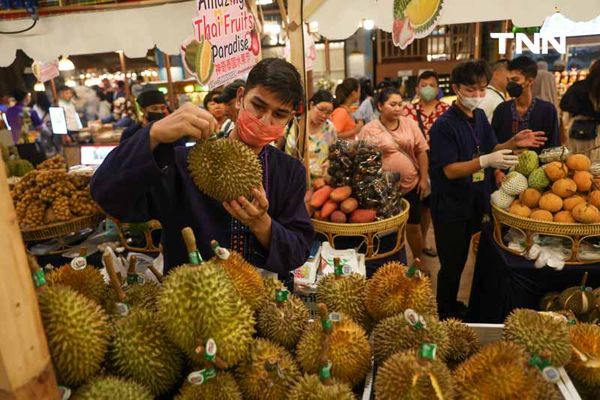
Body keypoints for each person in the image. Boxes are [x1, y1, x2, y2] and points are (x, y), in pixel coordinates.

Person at [91, 58, 314, 279]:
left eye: (279, 114)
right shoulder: (181, 164)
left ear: (290, 118)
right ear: (240, 98)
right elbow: (106, 195)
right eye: (258, 105)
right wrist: (152, 135)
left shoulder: (289, 171)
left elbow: (298, 253)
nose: (265, 121)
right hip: (191, 305)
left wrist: (262, 225)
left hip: (263, 307)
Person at [429, 60, 546, 319]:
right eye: (471, 90)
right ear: (457, 88)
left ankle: (458, 305)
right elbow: (449, 170)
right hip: (451, 206)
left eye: (482, 89)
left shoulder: (480, 116)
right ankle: (445, 312)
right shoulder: (443, 126)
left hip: (476, 200)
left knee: (474, 257)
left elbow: (492, 148)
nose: (478, 95)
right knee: (452, 264)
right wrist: (483, 162)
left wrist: (512, 142)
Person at [358, 87, 429, 264]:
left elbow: (421, 151)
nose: (398, 108)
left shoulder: (409, 123)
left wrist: (423, 178)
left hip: (411, 184)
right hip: (383, 191)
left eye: (400, 104)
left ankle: (418, 261)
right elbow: (362, 160)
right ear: (380, 106)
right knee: (387, 229)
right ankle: (391, 264)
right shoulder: (369, 129)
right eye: (392, 104)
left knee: (414, 227)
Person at [402, 70, 450, 258]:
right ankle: (416, 249)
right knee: (414, 206)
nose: (428, 89)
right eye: (424, 85)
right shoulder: (408, 111)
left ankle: (423, 241)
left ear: (438, 88)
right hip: (413, 165)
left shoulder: (446, 110)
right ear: (417, 88)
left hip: (439, 165)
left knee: (429, 207)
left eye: (431, 85)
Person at [492, 56, 560, 158]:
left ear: (529, 81)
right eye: (508, 80)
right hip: (504, 170)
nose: (510, 84)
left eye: (515, 79)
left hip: (538, 171)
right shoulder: (501, 110)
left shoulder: (547, 110)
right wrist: (497, 172)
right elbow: (493, 145)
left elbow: (554, 147)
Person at [560, 59, 600, 160]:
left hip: (576, 130)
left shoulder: (578, 86)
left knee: (574, 163)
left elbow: (565, 109)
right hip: (597, 133)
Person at [305, 90, 336, 180]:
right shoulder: (295, 125)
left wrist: (330, 162)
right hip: (294, 181)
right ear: (311, 105)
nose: (323, 115)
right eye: (321, 110)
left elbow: (334, 153)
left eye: (328, 112)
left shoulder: (329, 128)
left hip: (320, 182)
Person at [479, 59, 509, 123]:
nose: (510, 76)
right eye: (508, 71)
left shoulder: (495, 95)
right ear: (496, 74)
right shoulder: (489, 96)